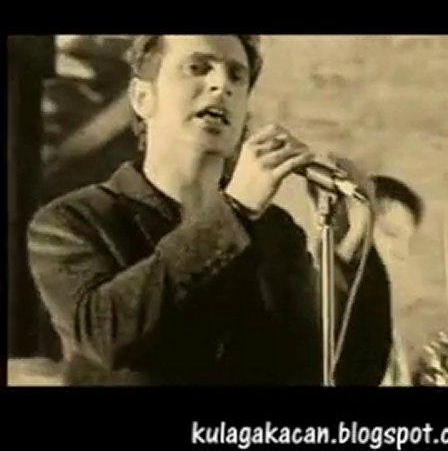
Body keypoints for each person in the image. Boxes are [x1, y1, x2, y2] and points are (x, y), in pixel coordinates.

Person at [26, 35, 392, 386]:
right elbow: (105, 334)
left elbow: (343, 374)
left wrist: (350, 251)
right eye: (197, 68)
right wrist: (233, 210)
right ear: (142, 97)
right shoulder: (72, 222)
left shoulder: (274, 232)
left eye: (237, 75)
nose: (221, 85)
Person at [370, 176, 424, 386]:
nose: (401, 252)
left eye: (406, 242)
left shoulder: (385, 326)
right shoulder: (315, 310)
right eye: (391, 234)